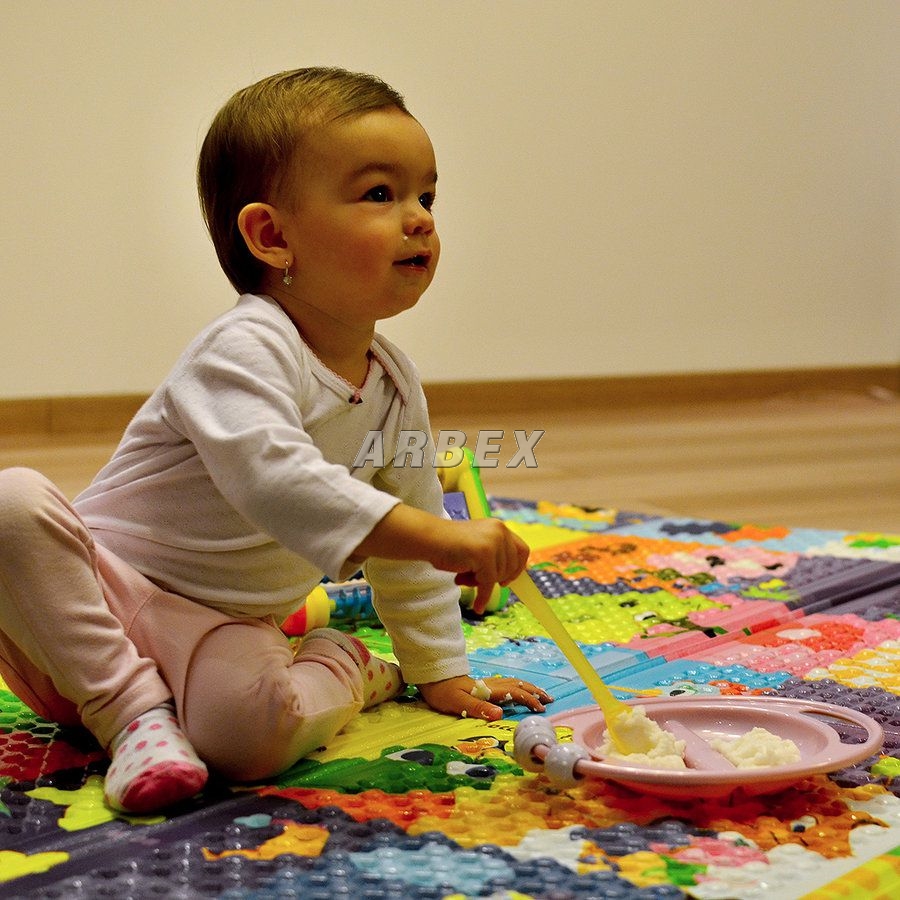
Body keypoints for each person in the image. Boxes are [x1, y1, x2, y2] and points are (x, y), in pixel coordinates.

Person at [0, 67, 552, 815]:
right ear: (272, 236)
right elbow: (276, 480)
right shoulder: (243, 348)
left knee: (248, 741)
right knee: (11, 502)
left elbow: (410, 551)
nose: (419, 219)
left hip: (222, 632)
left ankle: (346, 663)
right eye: (380, 194)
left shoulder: (395, 388)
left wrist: (439, 671)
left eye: (426, 196)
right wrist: (440, 537)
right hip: (88, 610)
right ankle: (132, 717)